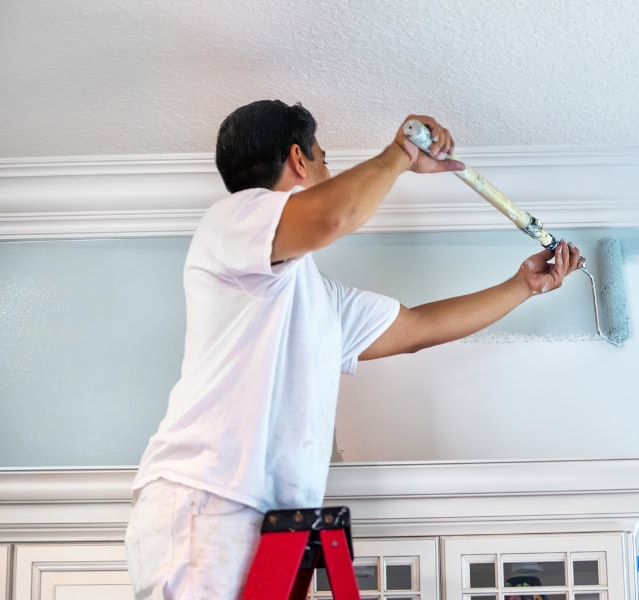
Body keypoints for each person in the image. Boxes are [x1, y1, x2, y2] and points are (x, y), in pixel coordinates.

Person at [123, 100, 583, 599]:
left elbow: (416, 327)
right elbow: (334, 214)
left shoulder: (314, 298)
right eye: (323, 158)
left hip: (273, 522)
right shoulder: (231, 221)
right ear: (299, 160)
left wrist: (523, 286)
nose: (328, 171)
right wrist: (400, 153)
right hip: (210, 499)